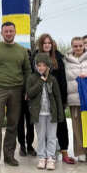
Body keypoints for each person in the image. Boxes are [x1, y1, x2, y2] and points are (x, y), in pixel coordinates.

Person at [0, 21, 32, 170]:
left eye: (11, 31)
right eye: (6, 31)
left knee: (13, 124)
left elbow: (28, 71)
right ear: (2, 32)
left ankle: (9, 156)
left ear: (15, 32)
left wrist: (28, 90)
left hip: (17, 91)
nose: (8, 33)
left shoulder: (22, 50)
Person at [34, 34, 75, 164]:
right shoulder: (34, 57)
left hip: (56, 98)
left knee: (61, 126)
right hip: (41, 100)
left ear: (52, 44)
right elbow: (31, 77)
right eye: (44, 43)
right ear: (41, 44)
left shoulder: (58, 57)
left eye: (49, 43)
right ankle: (46, 154)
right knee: (44, 129)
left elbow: (63, 79)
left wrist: (63, 99)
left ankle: (64, 152)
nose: (47, 45)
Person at [64, 37, 87, 164]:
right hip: (74, 99)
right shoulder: (67, 61)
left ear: (84, 46)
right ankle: (80, 152)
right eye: (75, 46)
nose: (78, 48)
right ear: (72, 46)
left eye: (80, 46)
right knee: (77, 128)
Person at [27, 53, 64, 170]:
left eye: (44, 65)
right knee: (41, 136)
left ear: (48, 66)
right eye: (39, 65)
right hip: (39, 114)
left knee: (52, 136)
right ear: (35, 66)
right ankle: (42, 157)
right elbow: (30, 93)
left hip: (51, 113)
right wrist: (40, 82)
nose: (41, 67)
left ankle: (51, 158)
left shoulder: (52, 79)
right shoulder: (32, 78)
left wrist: (60, 113)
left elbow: (58, 97)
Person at [17, 49, 37, 157]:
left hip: (30, 98)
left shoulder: (33, 67)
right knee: (19, 123)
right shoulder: (16, 66)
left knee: (30, 123)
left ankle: (29, 145)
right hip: (18, 98)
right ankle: (22, 146)